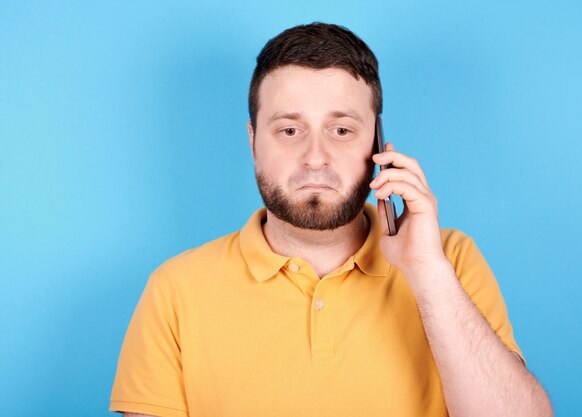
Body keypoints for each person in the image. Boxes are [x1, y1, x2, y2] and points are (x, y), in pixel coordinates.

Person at [110, 22, 553, 417]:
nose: (316, 157)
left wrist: (427, 273)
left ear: (378, 141)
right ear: (253, 141)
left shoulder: (449, 259)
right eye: (289, 130)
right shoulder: (175, 289)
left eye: (341, 130)